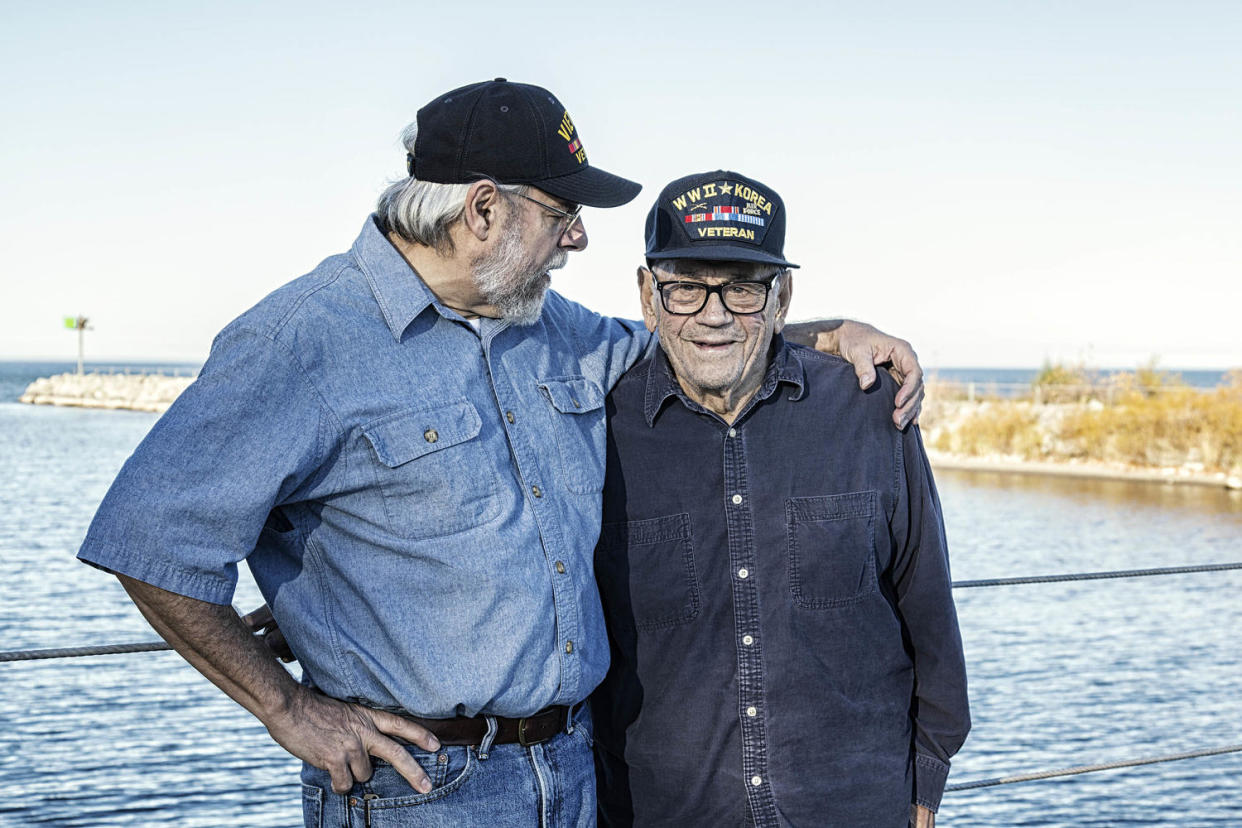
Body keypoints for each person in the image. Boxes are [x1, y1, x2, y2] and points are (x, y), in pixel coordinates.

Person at [77, 80, 925, 827]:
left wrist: (830, 331)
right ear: (483, 209)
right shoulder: (303, 339)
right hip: (419, 791)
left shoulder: (551, 326)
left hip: (577, 772)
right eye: (564, 215)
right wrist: (288, 707)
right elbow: (149, 540)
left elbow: (694, 332)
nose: (579, 242)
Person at [591, 171, 969, 828]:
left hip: (857, 807)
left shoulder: (868, 409)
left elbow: (928, 610)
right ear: (648, 297)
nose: (713, 314)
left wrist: (926, 780)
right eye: (685, 287)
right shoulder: (594, 429)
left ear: (782, 296)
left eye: (742, 287)